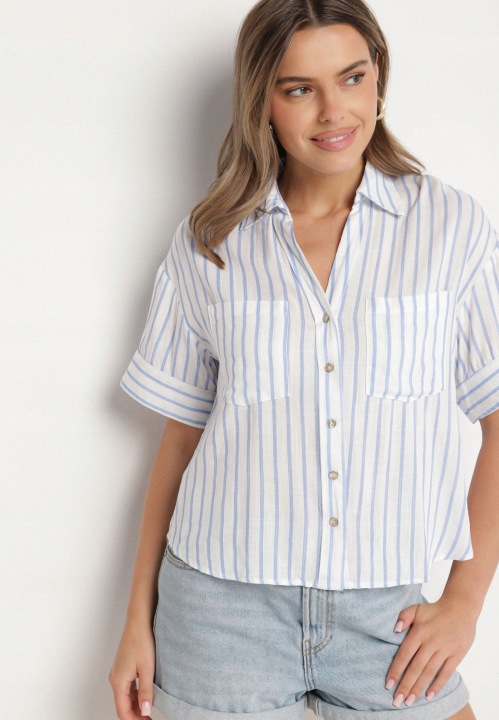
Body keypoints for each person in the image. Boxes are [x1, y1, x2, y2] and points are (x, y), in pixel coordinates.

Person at [108, 1, 499, 718]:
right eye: (299, 89)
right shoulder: (210, 241)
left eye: (351, 77)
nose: (332, 111)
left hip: (387, 616)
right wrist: (137, 619)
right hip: (220, 612)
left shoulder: (450, 228)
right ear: (262, 100)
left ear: (378, 77)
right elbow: (180, 439)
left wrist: (464, 601)